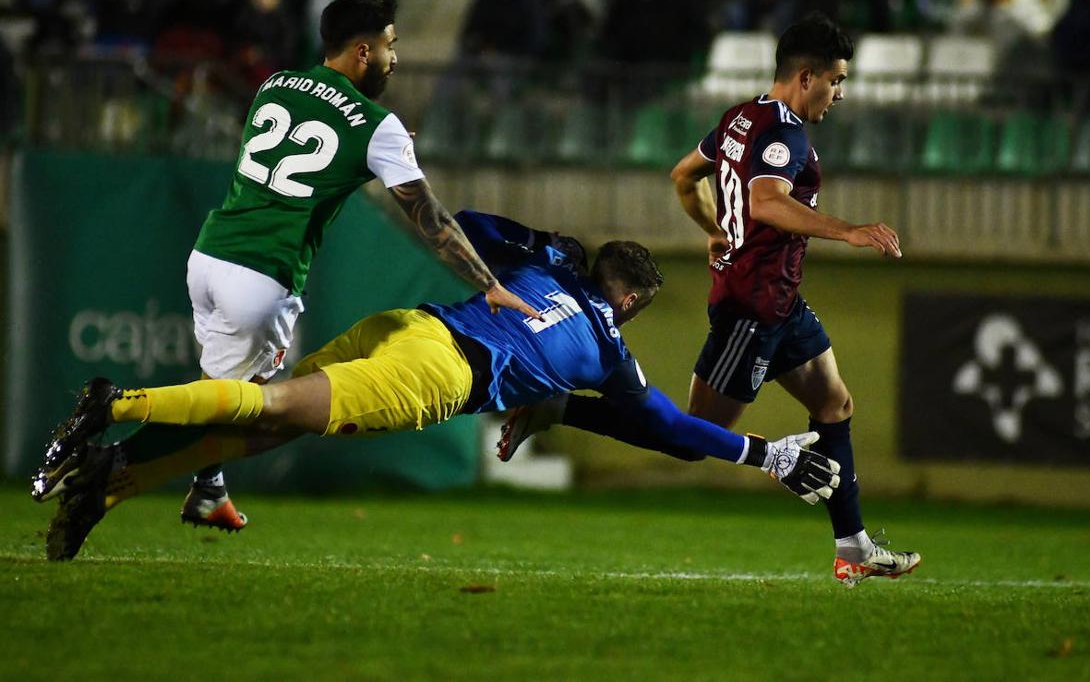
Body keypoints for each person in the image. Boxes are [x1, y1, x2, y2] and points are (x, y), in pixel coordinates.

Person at [33, 212, 841, 561]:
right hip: (438, 372)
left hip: (410, 323)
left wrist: (535, 242)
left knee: (268, 425)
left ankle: (112, 483)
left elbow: (469, 222)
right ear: (628, 303)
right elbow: (667, 427)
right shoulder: (607, 346)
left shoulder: (544, 264)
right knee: (273, 407)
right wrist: (763, 455)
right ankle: (115, 405)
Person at [33, 0, 542, 535]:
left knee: (218, 390)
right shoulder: (378, 125)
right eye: (391, 46)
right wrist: (487, 284)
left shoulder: (275, 84)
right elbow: (429, 218)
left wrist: (384, 145)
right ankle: (107, 430)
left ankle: (208, 490)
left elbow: (315, 143)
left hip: (209, 256)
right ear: (364, 51)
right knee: (256, 410)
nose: (396, 58)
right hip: (261, 276)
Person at [502, 13, 920, 586]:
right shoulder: (785, 133)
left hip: (780, 302)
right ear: (806, 76)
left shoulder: (739, 118)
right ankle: (559, 408)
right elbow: (767, 202)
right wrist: (846, 230)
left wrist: (715, 230)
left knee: (834, 404)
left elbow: (682, 175)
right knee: (691, 438)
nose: (840, 93)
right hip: (750, 307)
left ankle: (854, 547)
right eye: (836, 80)